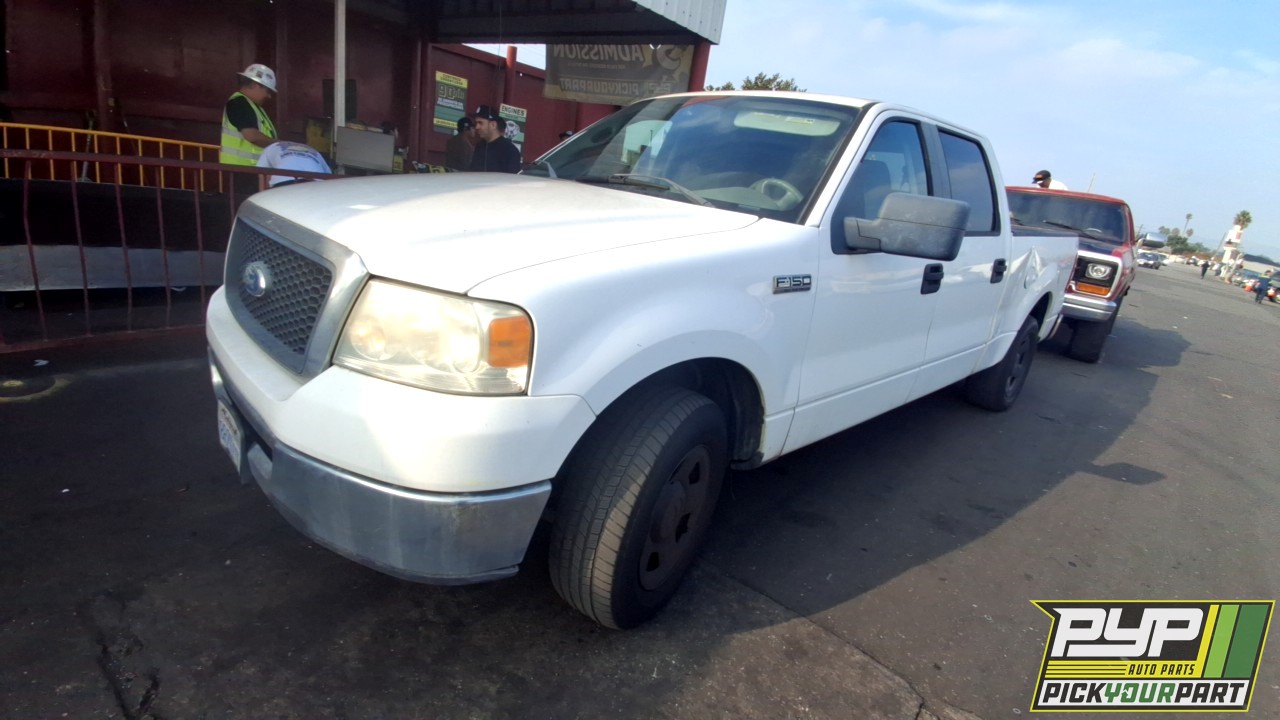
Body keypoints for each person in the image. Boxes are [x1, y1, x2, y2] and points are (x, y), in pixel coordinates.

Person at [221, 63, 279, 194]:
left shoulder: (252, 106)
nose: (269, 96)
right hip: (243, 171)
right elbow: (252, 136)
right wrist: (280, 144)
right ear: (254, 85)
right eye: (267, 90)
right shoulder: (240, 103)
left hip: (249, 170)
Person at [468, 105, 521, 173]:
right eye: (476, 123)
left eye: (480, 123)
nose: (477, 127)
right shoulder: (479, 146)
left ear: (493, 125)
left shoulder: (509, 150)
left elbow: (512, 180)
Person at [256, 141, 331, 188]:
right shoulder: (313, 150)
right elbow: (329, 177)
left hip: (284, 182)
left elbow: (263, 174)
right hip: (315, 184)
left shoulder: (270, 148)